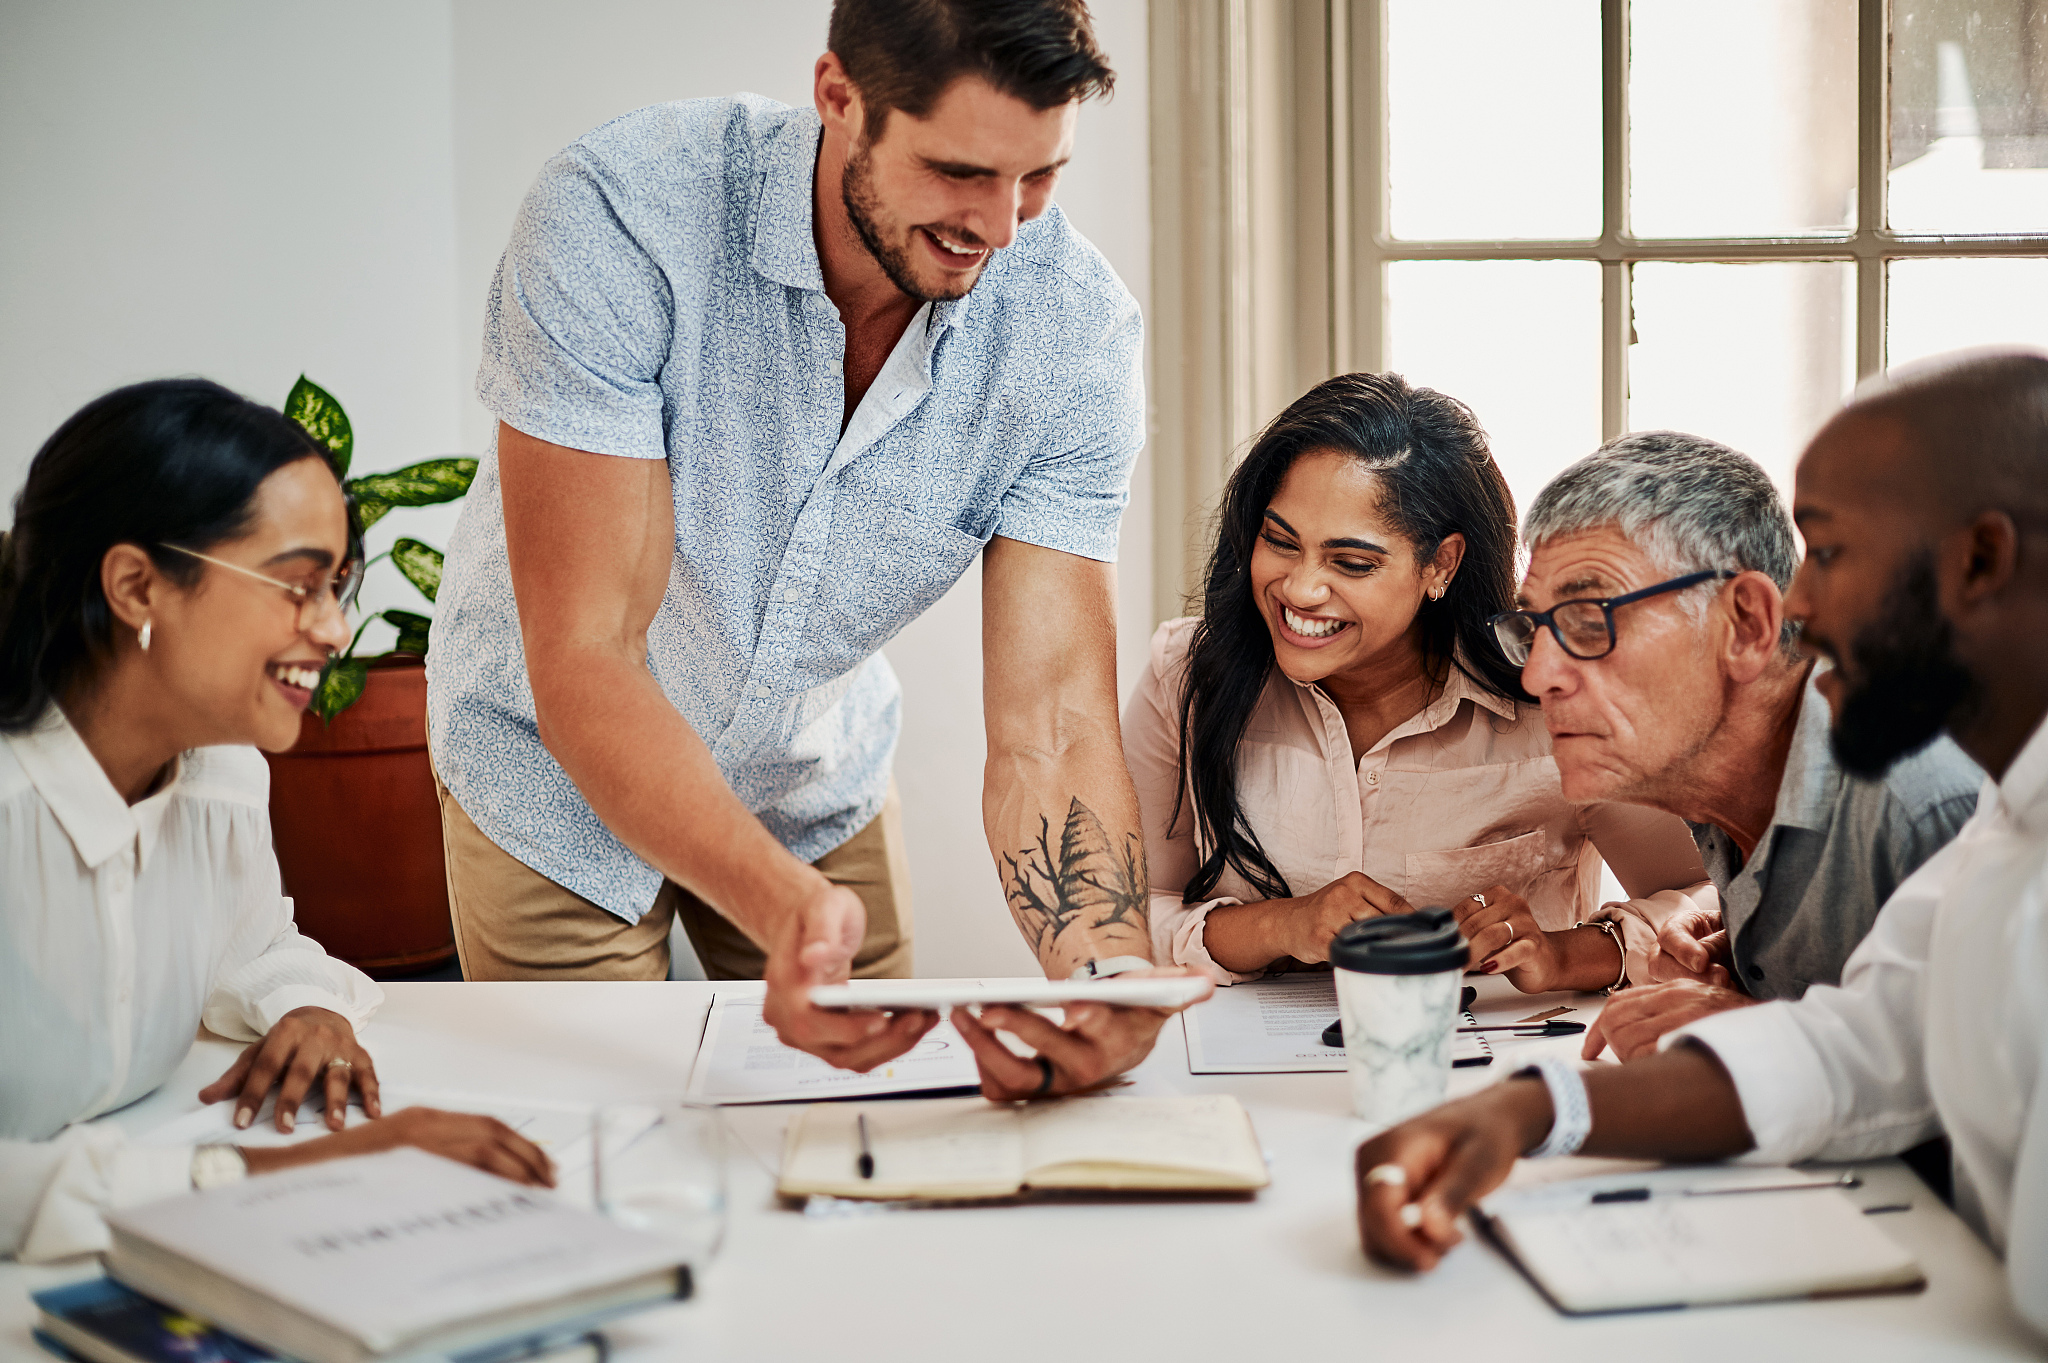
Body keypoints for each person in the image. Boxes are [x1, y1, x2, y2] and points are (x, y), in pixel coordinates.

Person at [426, 0, 1205, 1095]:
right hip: (551, 779)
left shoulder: (1071, 336)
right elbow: (590, 651)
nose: (1001, 227)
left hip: (809, 773)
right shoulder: (619, 216)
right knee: (591, 1126)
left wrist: (1104, 971)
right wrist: (784, 908)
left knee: (867, 1123)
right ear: (838, 96)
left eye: (1039, 176)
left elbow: (1053, 722)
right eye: (959, 172)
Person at [1353, 349, 2048, 1335]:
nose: (1799, 608)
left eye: (1830, 553)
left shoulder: (1933, 801)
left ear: (1977, 561)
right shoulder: (2001, 832)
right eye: (1535, 628)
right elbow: (1859, 1044)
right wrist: (1524, 1109)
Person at [1, 380, 554, 1263]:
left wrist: (306, 1007)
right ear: (137, 585)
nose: (335, 629)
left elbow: (252, 949)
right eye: (298, 584)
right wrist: (316, 1173)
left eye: (339, 585)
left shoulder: (218, 772)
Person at [1123, 372, 1707, 986]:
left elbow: (1711, 900)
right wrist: (1283, 926)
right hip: (1233, 1069)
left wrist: (1568, 953)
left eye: (1351, 563)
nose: (1298, 588)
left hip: (1499, 1066)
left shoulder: (1551, 696)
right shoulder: (1185, 675)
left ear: (1440, 564)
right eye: (1280, 541)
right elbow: (1115, 919)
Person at [1478, 433, 1979, 1060]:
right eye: (1534, 628)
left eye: (1588, 619)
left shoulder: (1922, 804)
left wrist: (1754, 1033)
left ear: (1745, 626)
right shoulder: (1719, 789)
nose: (1537, 675)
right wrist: (1745, 970)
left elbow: (2003, 1119)